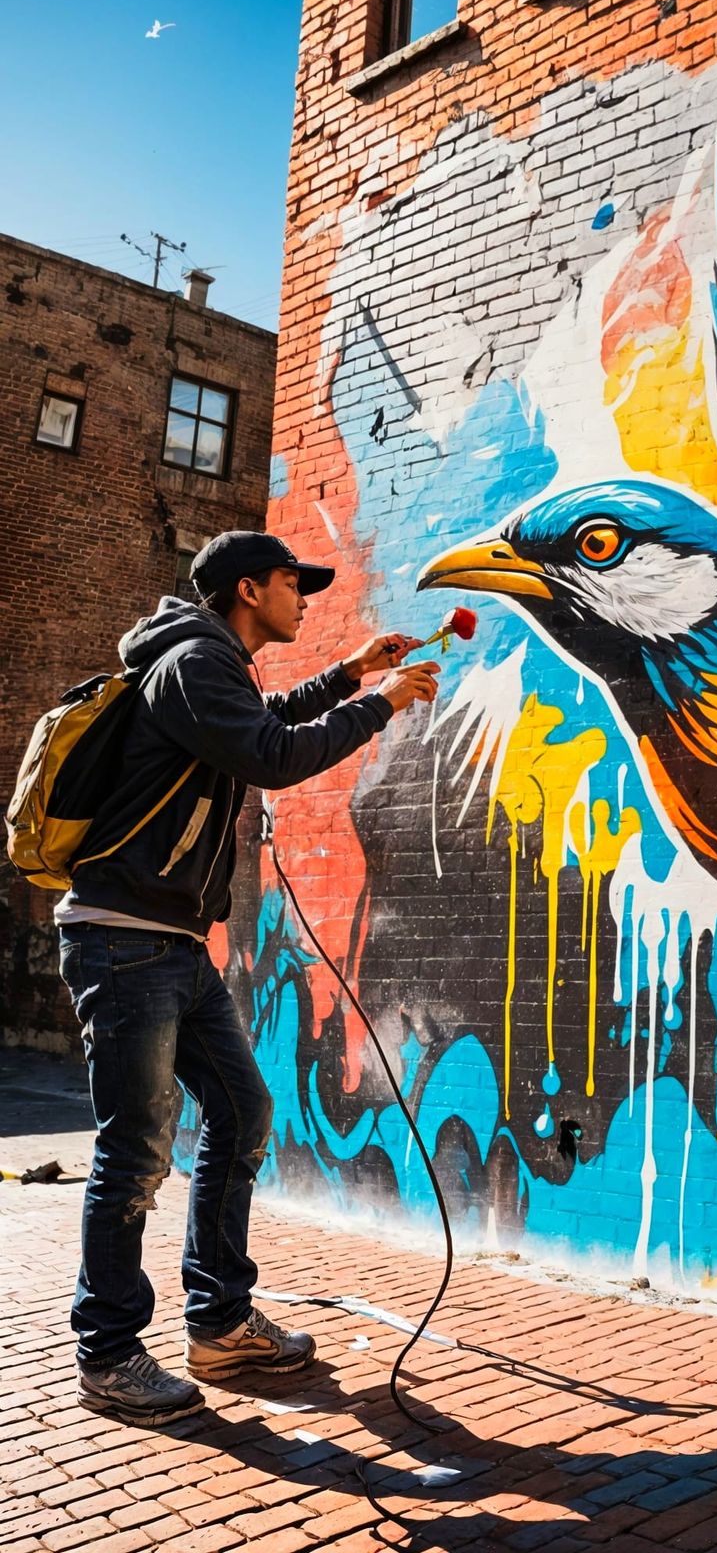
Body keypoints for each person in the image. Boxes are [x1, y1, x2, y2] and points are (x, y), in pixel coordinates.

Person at [55, 530, 440, 1425]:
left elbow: (262, 731)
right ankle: (108, 1353)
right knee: (136, 1148)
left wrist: (347, 674)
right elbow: (271, 757)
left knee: (241, 1112)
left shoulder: (207, 665)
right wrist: (381, 703)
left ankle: (221, 1324)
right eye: (289, 583)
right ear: (245, 588)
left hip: (172, 942)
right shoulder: (193, 661)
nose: (302, 597)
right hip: (124, 938)